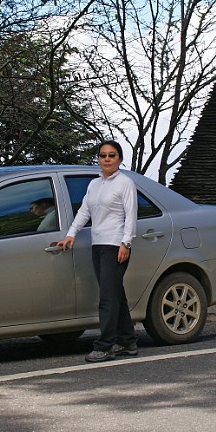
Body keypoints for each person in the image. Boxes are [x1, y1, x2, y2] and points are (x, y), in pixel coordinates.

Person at [56, 140, 139, 362]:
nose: (107, 159)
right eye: (103, 155)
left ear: (120, 159)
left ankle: (105, 346)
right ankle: (128, 341)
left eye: (112, 155)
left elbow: (131, 216)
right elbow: (85, 211)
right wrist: (71, 233)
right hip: (98, 244)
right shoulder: (94, 184)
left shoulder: (125, 183)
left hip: (116, 245)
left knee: (107, 298)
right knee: (115, 294)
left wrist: (126, 243)